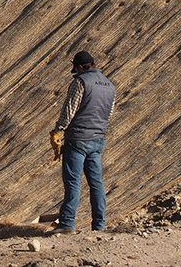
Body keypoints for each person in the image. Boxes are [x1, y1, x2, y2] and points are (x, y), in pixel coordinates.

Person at [48, 51, 115, 235]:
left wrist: (57, 130)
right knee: (96, 184)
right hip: (98, 140)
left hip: (77, 139)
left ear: (79, 67)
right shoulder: (110, 85)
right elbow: (108, 114)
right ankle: (99, 226)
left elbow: (70, 109)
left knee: (73, 183)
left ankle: (67, 224)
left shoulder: (80, 82)